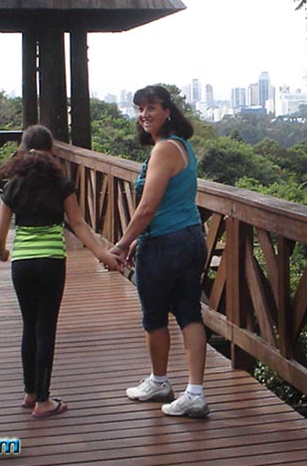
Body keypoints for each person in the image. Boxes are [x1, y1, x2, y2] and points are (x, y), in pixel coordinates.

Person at [0, 124, 122, 418]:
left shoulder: (12, 187)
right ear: (52, 152)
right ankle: (44, 401)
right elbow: (78, 225)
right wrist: (103, 254)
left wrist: (4, 254)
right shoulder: (61, 184)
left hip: (22, 264)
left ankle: (29, 393)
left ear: (22, 151)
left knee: (29, 325)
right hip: (51, 261)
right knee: (46, 327)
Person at [108, 85, 210, 418]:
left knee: (154, 316)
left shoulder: (163, 149)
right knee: (189, 312)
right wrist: (140, 239)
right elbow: (172, 203)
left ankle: (160, 380)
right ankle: (194, 392)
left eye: (152, 107)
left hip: (166, 244)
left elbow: (148, 206)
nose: (144, 114)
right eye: (139, 109)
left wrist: (122, 243)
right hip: (191, 237)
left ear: (168, 111)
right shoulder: (183, 147)